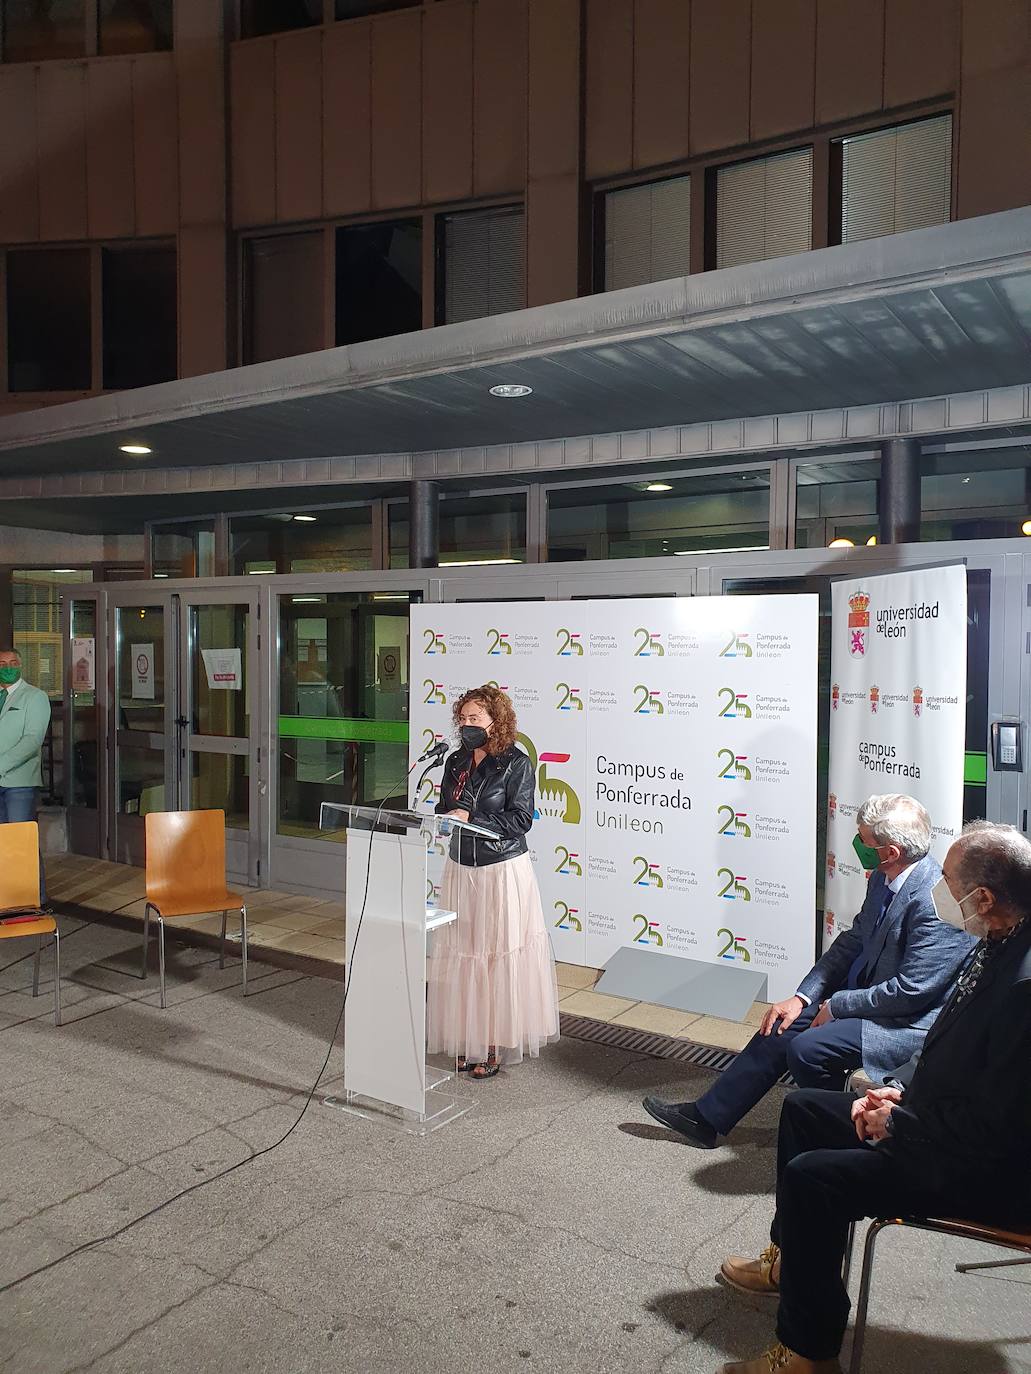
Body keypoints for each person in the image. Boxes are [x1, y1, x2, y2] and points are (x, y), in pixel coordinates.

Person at [714, 821, 1031, 1374]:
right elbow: (957, 1055)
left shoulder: (1024, 986)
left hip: (992, 1172)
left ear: (982, 898)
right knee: (806, 1109)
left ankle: (807, 1356)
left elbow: (1002, 1128)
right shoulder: (999, 938)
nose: (939, 891)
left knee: (815, 1178)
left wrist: (900, 1124)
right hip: (939, 1123)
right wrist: (901, 1092)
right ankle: (792, 1265)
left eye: (948, 881)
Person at [642, 794, 974, 1148]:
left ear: (891, 852)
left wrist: (837, 1005)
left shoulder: (936, 901)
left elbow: (912, 991)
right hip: (872, 998)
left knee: (807, 1049)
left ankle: (842, 1131)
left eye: (865, 841)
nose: (858, 845)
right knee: (780, 1025)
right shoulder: (882, 877)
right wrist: (804, 998)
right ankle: (707, 1118)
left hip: (907, 1020)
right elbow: (854, 940)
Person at [426, 685, 560, 1079]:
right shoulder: (455, 761)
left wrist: (473, 820)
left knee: (495, 957)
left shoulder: (516, 764)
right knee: (465, 954)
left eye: (475, 719)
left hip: (500, 871)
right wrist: (448, 814)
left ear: (495, 722)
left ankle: (493, 1043)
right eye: (462, 719)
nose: (467, 726)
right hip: (460, 867)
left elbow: (521, 820)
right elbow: (443, 805)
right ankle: (469, 1038)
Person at [0, 649, 52, 901]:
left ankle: (32, 900)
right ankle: (8, 896)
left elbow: (32, 740)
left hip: (19, 784)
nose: (7, 667)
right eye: (2, 663)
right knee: (3, 845)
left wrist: (1, 765)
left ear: (20, 665)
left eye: (12, 663)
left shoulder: (35, 697)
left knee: (21, 843)